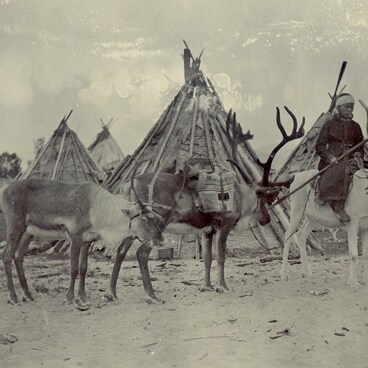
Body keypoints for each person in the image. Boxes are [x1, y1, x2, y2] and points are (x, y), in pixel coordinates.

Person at [315, 93, 364, 222]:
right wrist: (330, 157)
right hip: (334, 160)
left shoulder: (356, 126)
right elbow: (319, 146)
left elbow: (359, 145)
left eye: (352, 108)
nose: (349, 110)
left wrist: (358, 154)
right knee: (341, 171)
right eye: (347, 107)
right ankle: (337, 205)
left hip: (351, 158)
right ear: (339, 107)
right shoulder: (329, 124)